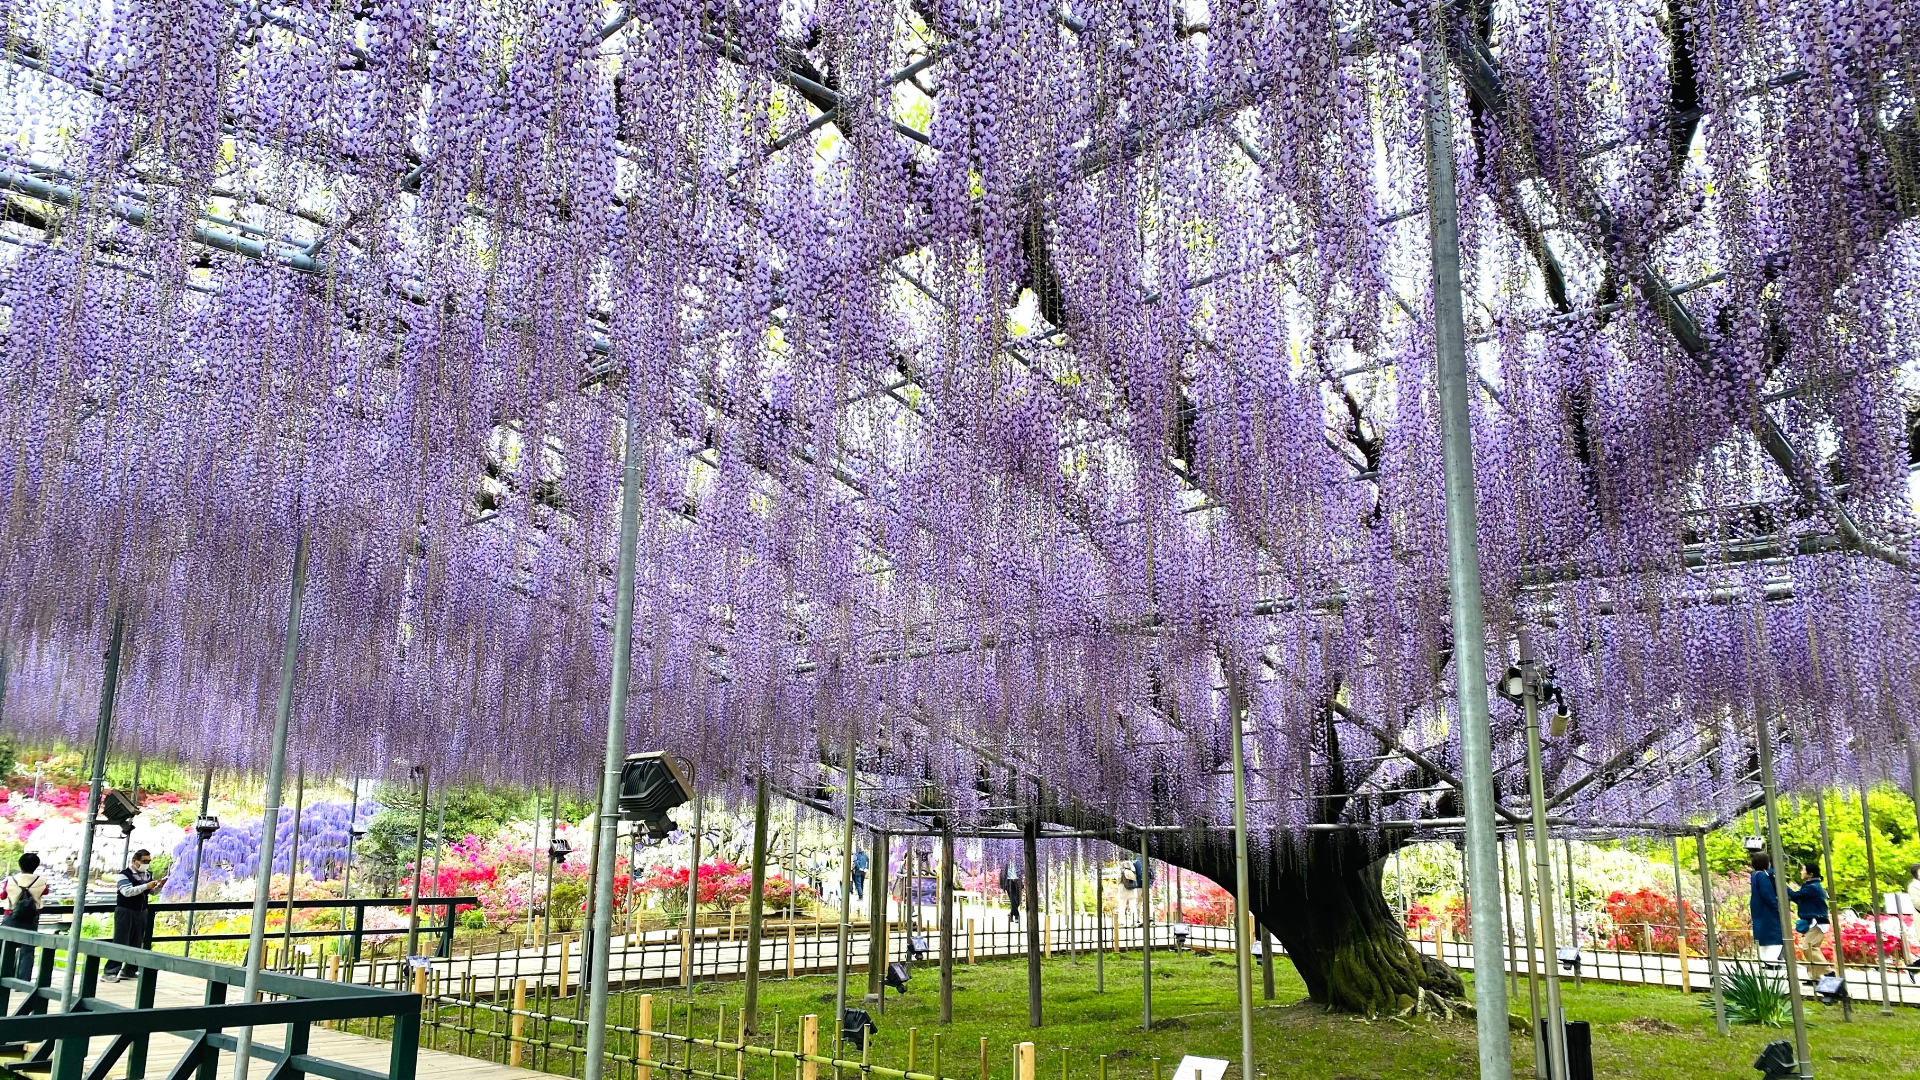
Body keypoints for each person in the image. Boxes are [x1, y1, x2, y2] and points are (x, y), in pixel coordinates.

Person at [103, 849, 165, 982]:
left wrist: (158, 887)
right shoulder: (124, 875)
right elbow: (127, 891)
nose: (146, 864)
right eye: (144, 861)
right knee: (121, 941)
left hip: (142, 911)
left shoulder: (148, 875)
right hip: (125, 910)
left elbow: (151, 892)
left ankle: (130, 970)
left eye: (148, 861)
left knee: (137, 941)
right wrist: (146, 886)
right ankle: (110, 972)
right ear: (134, 861)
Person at [2, 853, 48, 982]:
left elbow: (3, 896)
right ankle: (23, 981)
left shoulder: (11, 880)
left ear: (20, 864)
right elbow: (45, 892)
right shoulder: (41, 880)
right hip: (31, 918)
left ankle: (4, 977)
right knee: (27, 951)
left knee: (6, 948)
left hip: (11, 916)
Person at [1787, 863, 1832, 980]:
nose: (1801, 872)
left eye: (1803, 870)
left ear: (1810, 874)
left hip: (1817, 922)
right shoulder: (1812, 886)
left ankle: (1828, 972)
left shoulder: (1812, 887)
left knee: (1809, 948)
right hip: (1815, 921)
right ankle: (1814, 976)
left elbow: (1795, 896)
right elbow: (1802, 900)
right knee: (1811, 948)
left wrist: (1782, 885)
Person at [1749, 851, 1785, 965]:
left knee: (1762, 933)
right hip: (1767, 909)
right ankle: (1771, 960)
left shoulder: (1754, 874)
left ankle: (1765, 960)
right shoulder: (1763, 876)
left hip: (1757, 907)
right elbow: (1767, 893)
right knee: (1773, 932)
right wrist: (1776, 905)